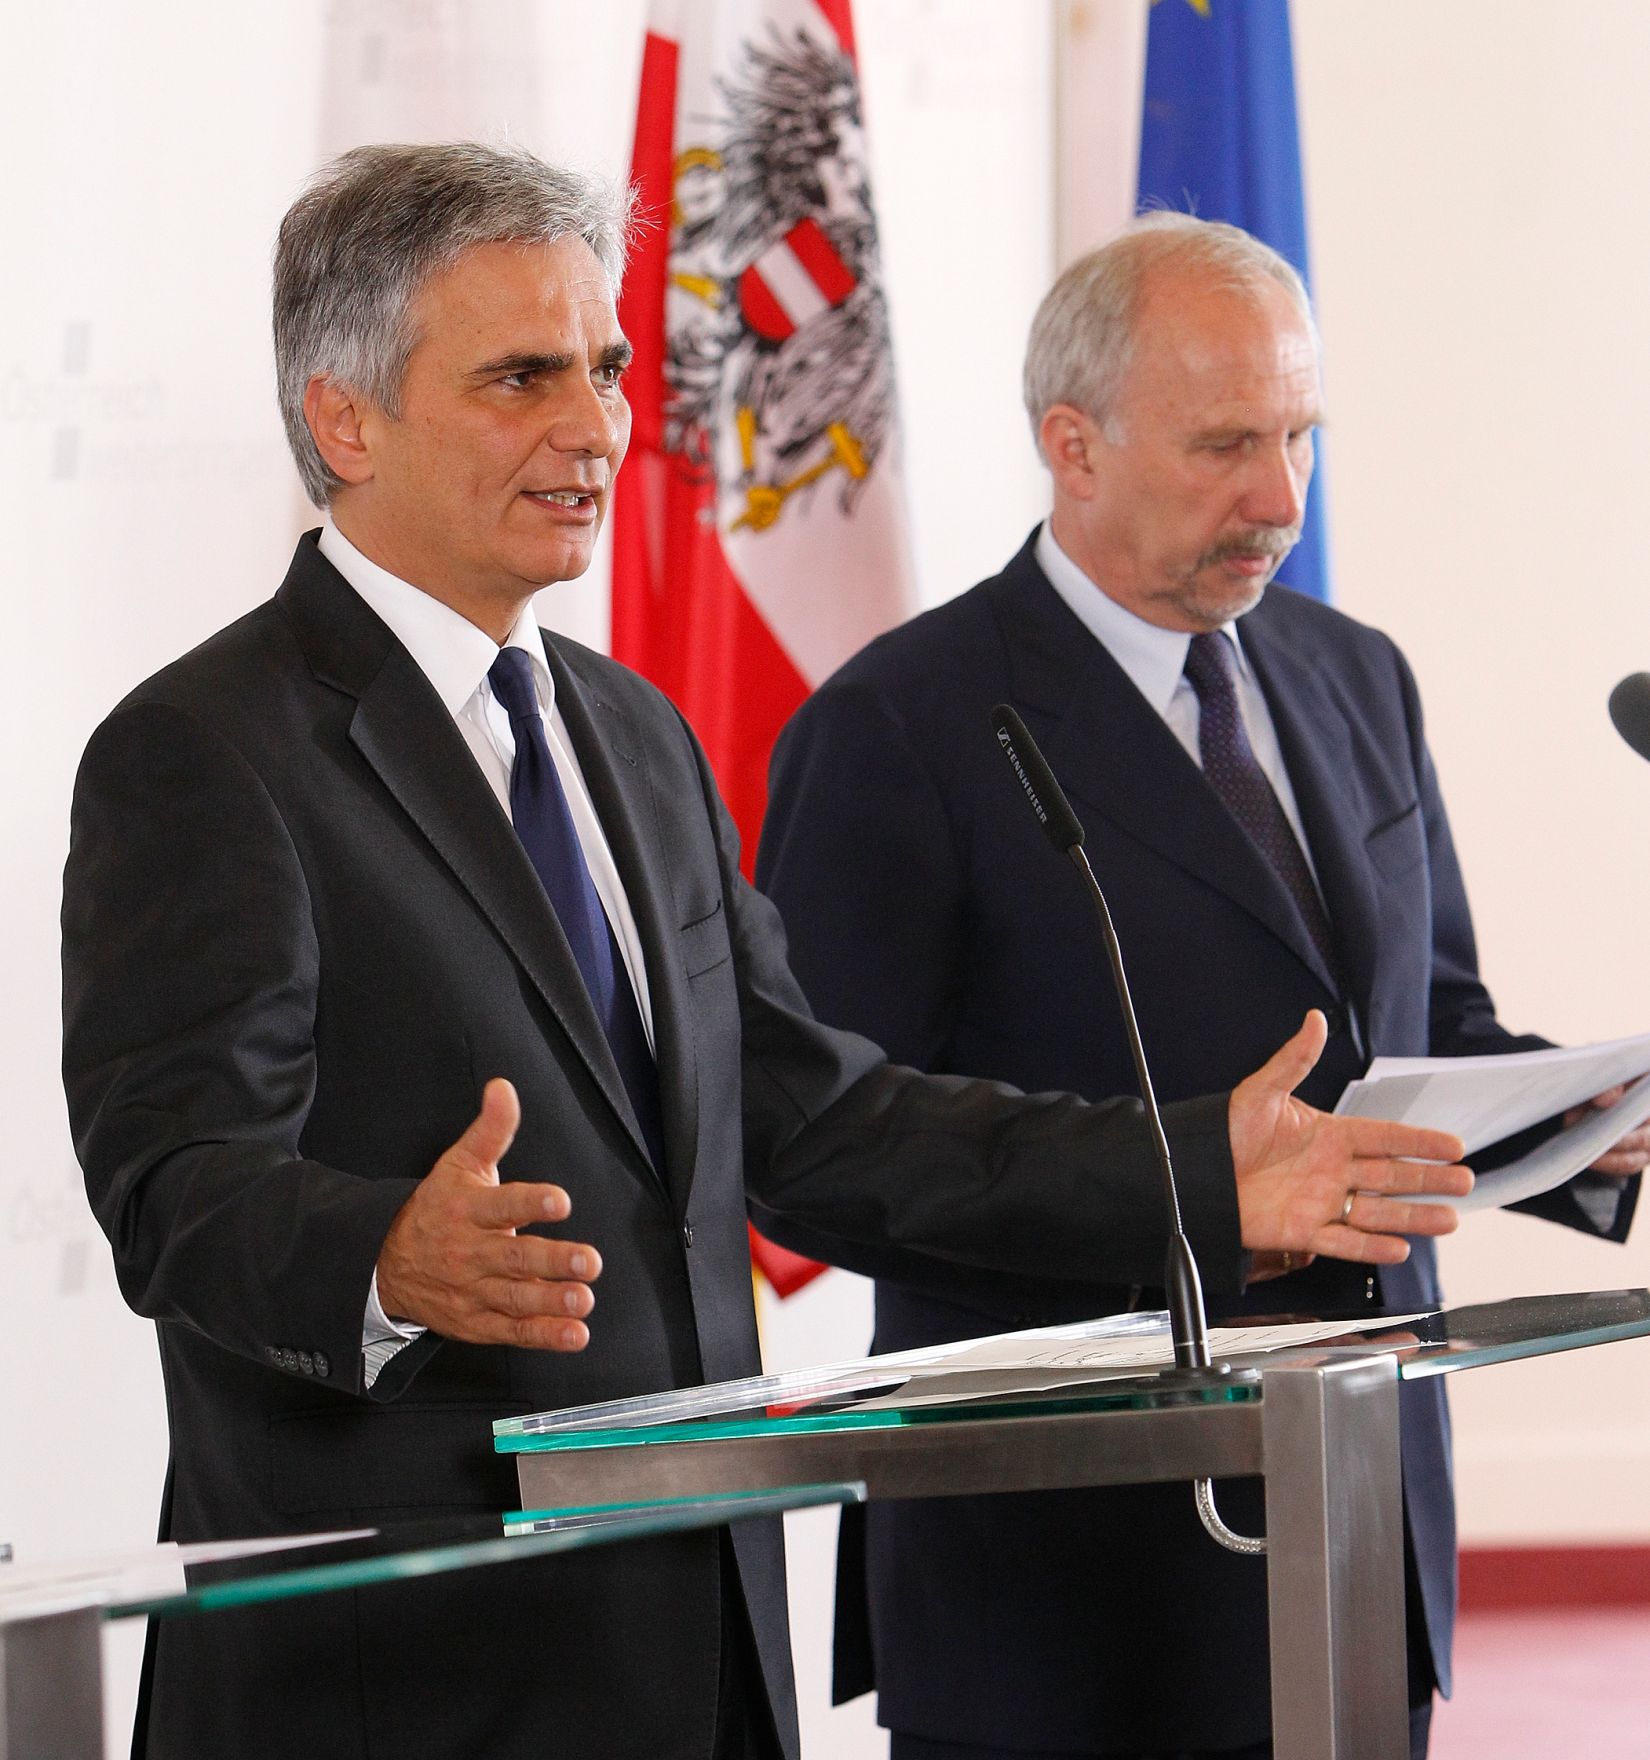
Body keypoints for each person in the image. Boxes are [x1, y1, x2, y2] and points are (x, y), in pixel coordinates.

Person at [62, 155, 1470, 1760]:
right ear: (345, 420)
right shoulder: (204, 749)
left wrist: (1191, 1172)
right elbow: (174, 1181)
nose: (594, 429)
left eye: (602, 370)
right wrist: (380, 1259)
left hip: (698, 1641)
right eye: (522, 376)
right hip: (400, 1677)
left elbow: (817, 1124)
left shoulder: (629, 733)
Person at [757, 213, 1648, 1760]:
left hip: (1353, 1516)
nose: (1280, 498)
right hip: (1061, 1572)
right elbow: (821, 1159)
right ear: (1071, 445)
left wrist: (1588, 1115)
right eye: (1227, 444)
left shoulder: (1350, 670)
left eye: (1302, 434)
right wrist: (1190, 1185)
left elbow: (1423, 1026)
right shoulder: (899, 722)